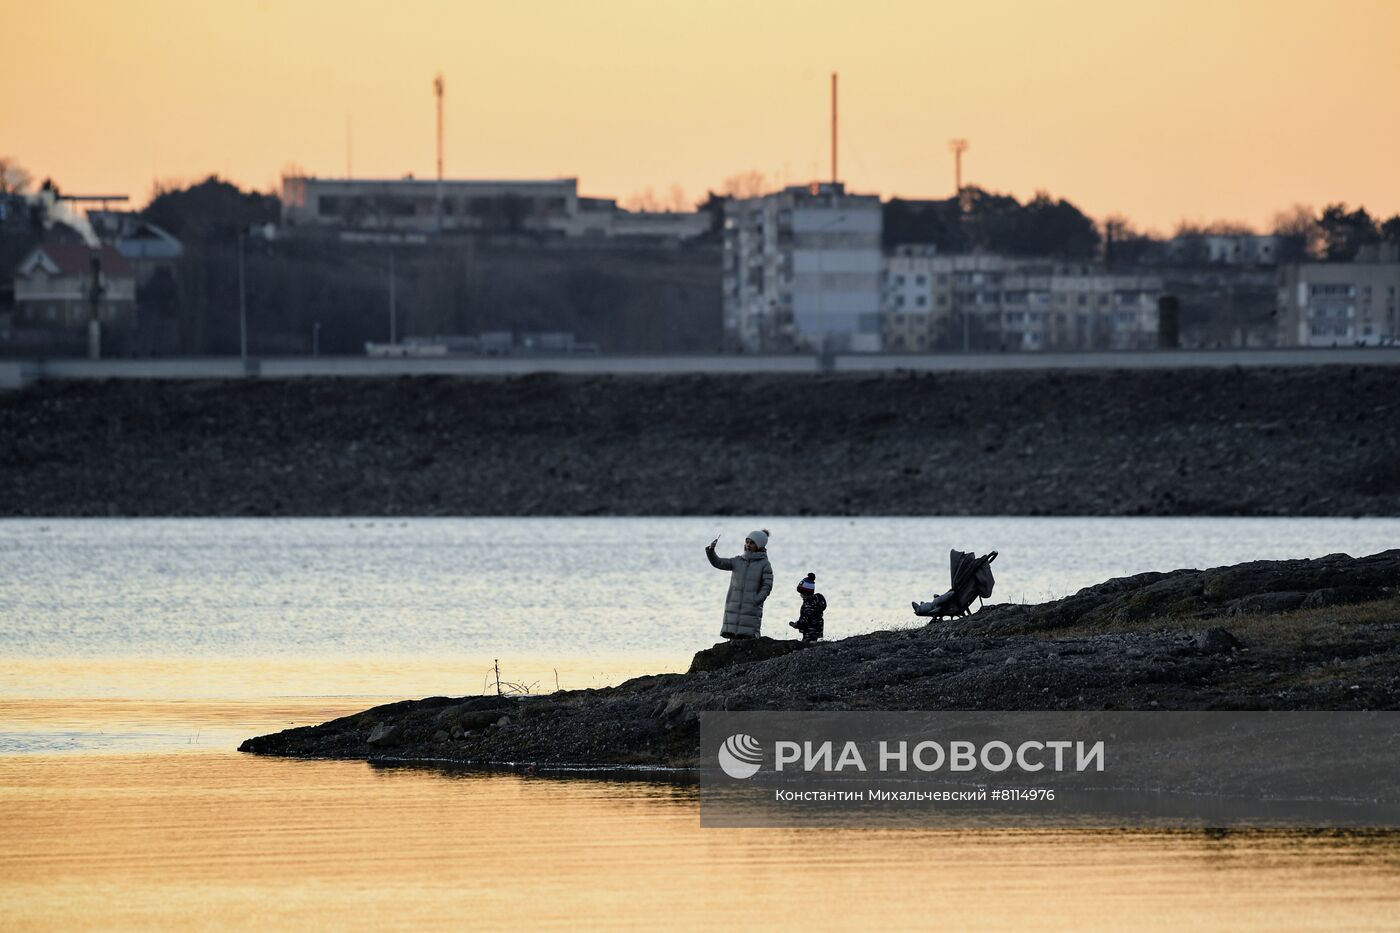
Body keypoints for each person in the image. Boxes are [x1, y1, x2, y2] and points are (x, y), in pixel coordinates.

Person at [705, 529, 774, 640]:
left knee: (748, 637)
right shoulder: (738, 561)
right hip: (733, 605)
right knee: (732, 636)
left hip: (751, 607)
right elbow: (718, 563)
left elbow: (767, 585)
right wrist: (711, 551)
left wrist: (757, 599)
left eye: (752, 543)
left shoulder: (764, 564)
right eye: (747, 542)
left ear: (759, 545)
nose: (748, 545)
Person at [788, 572, 826, 643]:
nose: (800, 595)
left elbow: (805, 620)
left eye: (801, 593)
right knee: (816, 643)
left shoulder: (807, 604)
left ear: (805, 593)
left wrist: (797, 625)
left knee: (808, 644)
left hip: (809, 632)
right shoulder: (816, 602)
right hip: (818, 630)